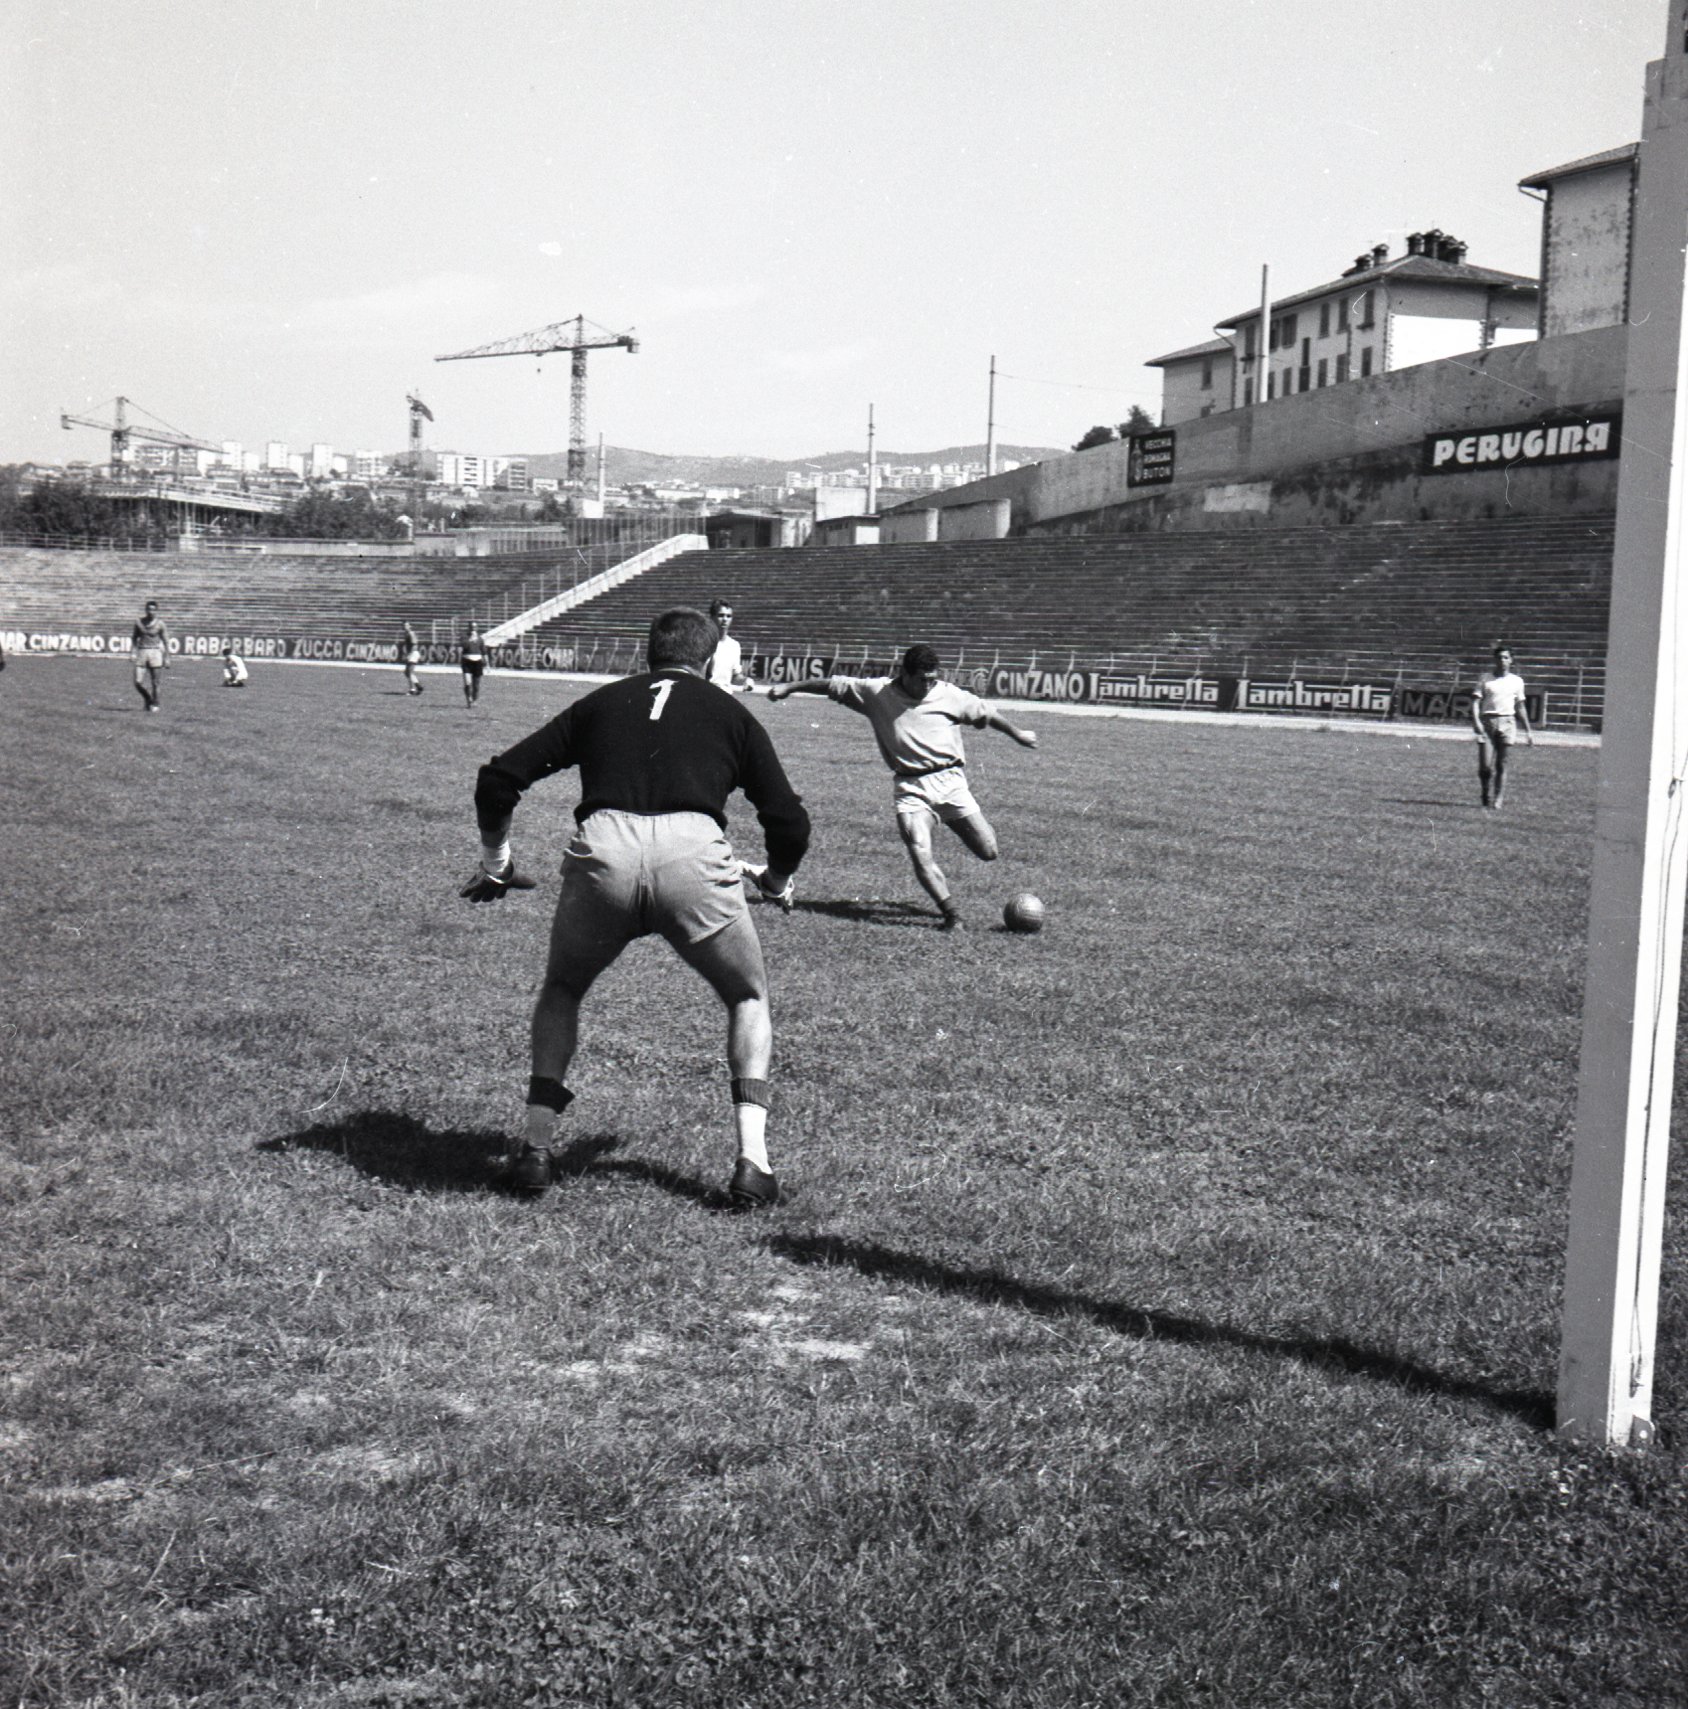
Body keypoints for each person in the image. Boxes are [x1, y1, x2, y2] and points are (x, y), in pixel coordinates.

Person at [463, 606, 810, 1206]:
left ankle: (537, 1147)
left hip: (604, 856)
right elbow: (788, 820)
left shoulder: (601, 702)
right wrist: (776, 880)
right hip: (694, 859)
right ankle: (753, 1164)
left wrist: (497, 863)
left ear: (647, 652)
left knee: (563, 989)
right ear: (709, 658)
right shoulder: (731, 712)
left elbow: (498, 779)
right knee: (747, 996)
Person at [767, 644, 1037, 929]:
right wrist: (788, 687)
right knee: (919, 848)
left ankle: (957, 830)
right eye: (923, 679)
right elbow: (831, 685)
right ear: (904, 674)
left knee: (988, 850)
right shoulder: (877, 693)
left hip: (951, 782)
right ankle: (952, 915)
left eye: (933, 679)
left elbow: (988, 713)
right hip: (911, 788)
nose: (928, 685)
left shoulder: (949, 695)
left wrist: (1018, 734)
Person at [1471, 643, 1534, 809]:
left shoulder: (1517, 681)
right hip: (1488, 722)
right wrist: (1476, 721)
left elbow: (1520, 707)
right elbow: (1476, 702)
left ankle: (1498, 798)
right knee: (1485, 766)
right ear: (1494, 659)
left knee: (1502, 764)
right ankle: (1485, 791)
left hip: (1507, 722)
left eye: (1506, 657)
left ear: (1511, 660)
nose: (1502, 661)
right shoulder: (1486, 678)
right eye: (1499, 657)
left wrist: (1528, 731)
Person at [131, 600, 171, 711]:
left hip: (155, 652)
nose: (150, 612)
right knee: (138, 682)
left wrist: (167, 657)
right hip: (142, 651)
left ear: (156, 611)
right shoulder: (139, 622)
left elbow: (166, 641)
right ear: (146, 610)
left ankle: (155, 704)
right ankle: (148, 698)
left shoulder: (160, 624)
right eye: (149, 609)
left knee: (155, 682)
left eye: (153, 610)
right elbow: (134, 638)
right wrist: (133, 652)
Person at [706, 599, 746, 691]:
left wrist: (745, 680)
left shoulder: (734, 646)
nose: (725, 619)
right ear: (712, 617)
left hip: (725, 695)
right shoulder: (704, 643)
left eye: (728, 616)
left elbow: (735, 677)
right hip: (707, 693)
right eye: (721, 615)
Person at [460, 624, 487, 707]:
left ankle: (474, 699)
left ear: (477, 628)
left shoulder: (480, 639)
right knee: (467, 682)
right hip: (467, 661)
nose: (473, 629)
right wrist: (471, 639)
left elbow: (484, 652)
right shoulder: (464, 637)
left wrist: (487, 663)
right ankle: (469, 699)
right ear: (469, 628)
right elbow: (464, 646)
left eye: (474, 627)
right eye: (471, 627)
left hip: (477, 661)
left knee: (476, 685)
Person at [400, 623, 424, 695]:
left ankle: (412, 690)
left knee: (409, 672)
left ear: (410, 626)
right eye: (404, 626)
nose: (405, 627)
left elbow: (414, 645)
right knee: (407, 673)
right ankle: (418, 687)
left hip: (413, 653)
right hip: (411, 654)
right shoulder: (407, 634)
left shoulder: (411, 634)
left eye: (406, 625)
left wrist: (410, 654)